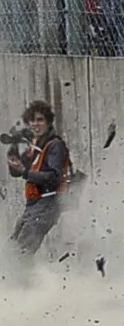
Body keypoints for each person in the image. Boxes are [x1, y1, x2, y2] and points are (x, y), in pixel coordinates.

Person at [6, 99, 71, 256]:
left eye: (40, 120)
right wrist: (13, 149)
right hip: (34, 205)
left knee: (21, 253)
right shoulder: (37, 146)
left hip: (49, 202)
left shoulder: (55, 145)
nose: (35, 124)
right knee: (13, 247)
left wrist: (25, 172)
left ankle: (22, 280)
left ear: (48, 122)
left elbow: (55, 178)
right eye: (32, 120)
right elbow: (17, 172)